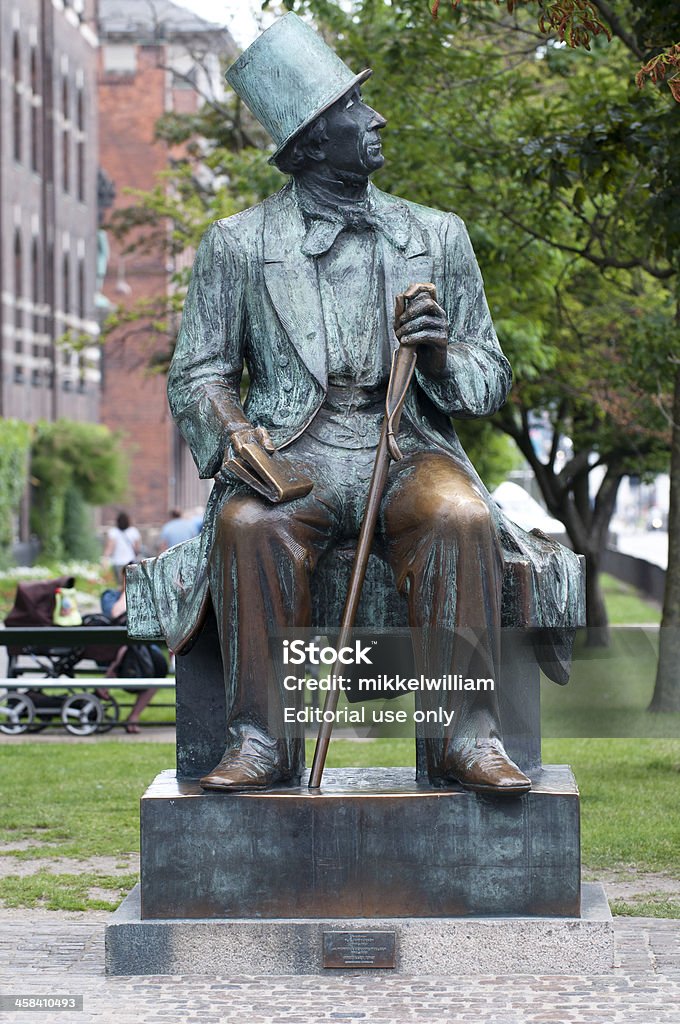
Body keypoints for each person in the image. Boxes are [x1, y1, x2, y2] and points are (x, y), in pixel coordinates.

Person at [142, 14, 581, 793]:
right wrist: (239, 437)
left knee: (461, 517)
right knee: (249, 524)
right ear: (311, 139)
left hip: (407, 446)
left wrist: (441, 351)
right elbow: (198, 373)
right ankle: (261, 740)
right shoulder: (237, 244)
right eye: (353, 107)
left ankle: (464, 737)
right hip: (294, 452)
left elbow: (488, 376)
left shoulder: (437, 236)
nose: (375, 119)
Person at [103, 512, 141, 584]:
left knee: (120, 584)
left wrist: (105, 558)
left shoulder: (113, 532)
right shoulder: (134, 531)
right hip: (131, 562)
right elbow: (137, 549)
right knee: (130, 584)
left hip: (117, 562)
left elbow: (110, 548)